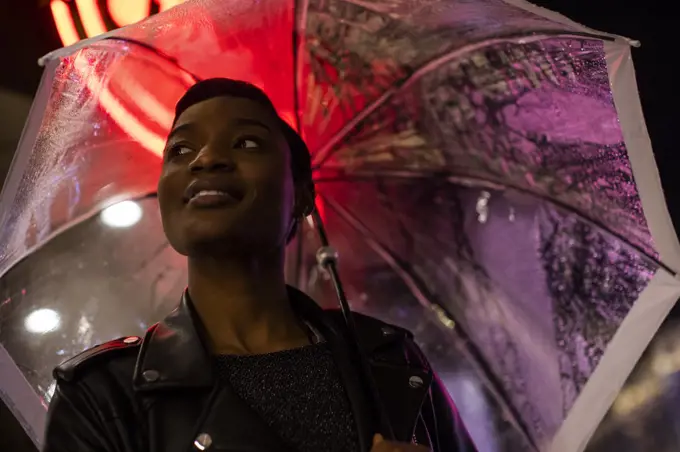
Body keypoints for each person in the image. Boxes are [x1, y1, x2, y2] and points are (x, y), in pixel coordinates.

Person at [42, 78, 476, 452]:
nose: (205, 159)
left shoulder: (391, 363)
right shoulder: (104, 397)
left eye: (246, 142)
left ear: (302, 196)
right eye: (180, 149)